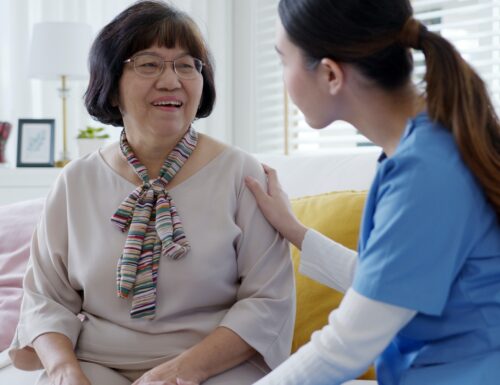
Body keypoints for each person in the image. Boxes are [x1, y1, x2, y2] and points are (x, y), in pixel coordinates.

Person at [7, 1, 294, 384]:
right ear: (110, 87)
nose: (171, 80)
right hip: (97, 363)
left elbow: (268, 302)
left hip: (214, 365)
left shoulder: (243, 175)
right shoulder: (75, 181)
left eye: (186, 64)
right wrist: (64, 370)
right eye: (149, 64)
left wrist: (181, 371)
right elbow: (45, 299)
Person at [245, 0, 500, 384]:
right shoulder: (424, 149)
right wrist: (294, 229)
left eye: (284, 60)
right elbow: (382, 284)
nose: (282, 77)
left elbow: (345, 347)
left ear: (330, 74)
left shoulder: (425, 173)